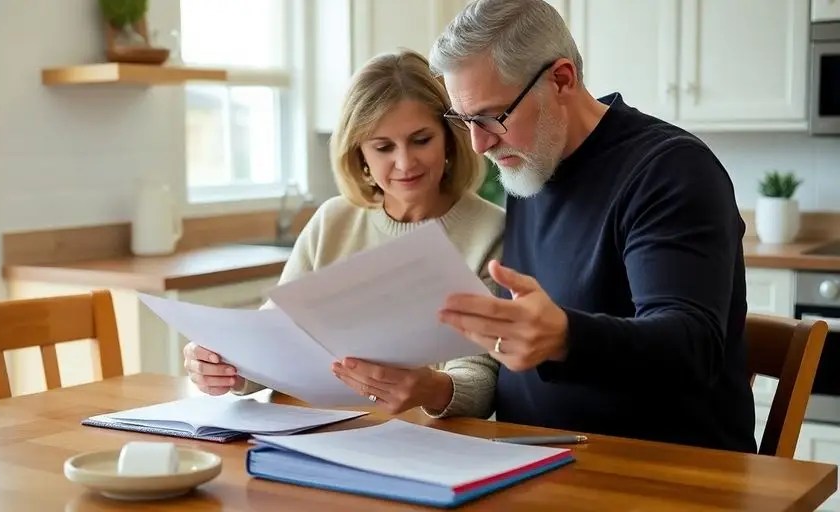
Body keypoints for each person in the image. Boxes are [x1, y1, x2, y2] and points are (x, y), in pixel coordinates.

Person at [429, 0, 756, 452]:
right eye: (465, 120)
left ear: (562, 79)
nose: (479, 143)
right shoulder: (531, 162)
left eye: (492, 117)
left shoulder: (670, 171)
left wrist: (565, 337)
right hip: (529, 464)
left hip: (661, 474)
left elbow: (690, 347)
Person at [182, 49, 505, 418]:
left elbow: (486, 376)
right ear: (360, 155)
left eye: (421, 140)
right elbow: (275, 340)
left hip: (436, 441)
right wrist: (223, 365)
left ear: (449, 138)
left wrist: (432, 389)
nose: (404, 162)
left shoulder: (489, 232)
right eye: (383, 147)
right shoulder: (333, 221)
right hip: (326, 429)